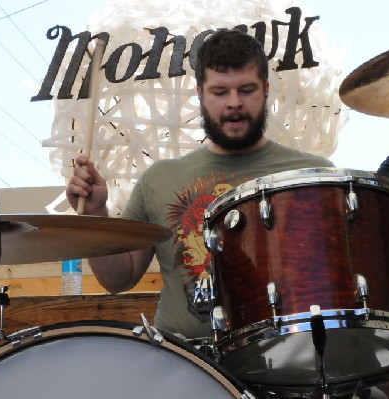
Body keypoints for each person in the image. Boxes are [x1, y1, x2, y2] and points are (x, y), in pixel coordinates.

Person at [67, 28, 333, 339]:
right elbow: (118, 279)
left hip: (289, 357)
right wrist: (95, 215)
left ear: (266, 90)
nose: (233, 103)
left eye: (246, 90)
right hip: (188, 366)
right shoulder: (159, 179)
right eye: (220, 92)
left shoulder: (314, 174)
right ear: (200, 94)